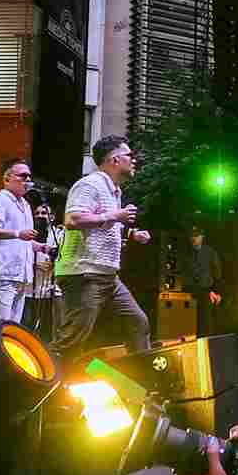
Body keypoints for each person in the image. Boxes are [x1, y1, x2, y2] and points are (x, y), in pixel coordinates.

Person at [54, 135, 151, 355]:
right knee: (72, 338)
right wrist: (116, 215)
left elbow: (104, 223)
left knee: (138, 322)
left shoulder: (114, 190)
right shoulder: (90, 184)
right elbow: (73, 220)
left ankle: (143, 379)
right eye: (129, 155)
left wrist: (132, 234)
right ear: (114, 160)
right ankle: (46, 382)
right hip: (85, 274)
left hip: (107, 276)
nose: (133, 160)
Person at [0, 156, 43, 331]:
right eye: (22, 176)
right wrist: (18, 233)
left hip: (19, 277)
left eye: (29, 176)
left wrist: (40, 247)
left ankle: (0, 359)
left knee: (11, 332)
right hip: (0, 275)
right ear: (7, 178)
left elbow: (21, 241)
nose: (27, 180)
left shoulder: (26, 205)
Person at [183, 226, 227, 337]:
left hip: (206, 292)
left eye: (196, 236)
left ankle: (206, 344)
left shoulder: (210, 252)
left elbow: (217, 273)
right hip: (189, 292)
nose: (194, 238)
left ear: (202, 237)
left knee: (206, 322)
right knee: (189, 322)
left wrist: (217, 292)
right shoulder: (185, 253)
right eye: (192, 236)